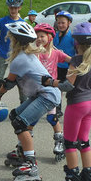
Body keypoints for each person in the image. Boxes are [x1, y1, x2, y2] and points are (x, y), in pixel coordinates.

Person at [0, 22, 63, 181]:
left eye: (10, 38)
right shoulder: (26, 55)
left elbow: (9, 83)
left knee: (20, 123)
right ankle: (23, 152)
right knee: (15, 115)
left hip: (47, 96)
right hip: (41, 94)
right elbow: (11, 82)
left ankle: (31, 165)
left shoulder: (20, 59)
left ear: (14, 40)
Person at [48, 22, 91, 181]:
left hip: (77, 105)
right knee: (84, 142)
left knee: (70, 143)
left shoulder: (76, 61)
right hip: (90, 103)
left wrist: (51, 82)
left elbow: (67, 85)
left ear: (76, 42)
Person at [35, 23, 71, 162]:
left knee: (52, 117)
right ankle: (23, 145)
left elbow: (71, 60)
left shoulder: (56, 53)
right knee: (30, 119)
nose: (39, 39)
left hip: (51, 91)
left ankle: (59, 141)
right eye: (37, 36)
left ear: (50, 38)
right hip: (36, 90)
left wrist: (82, 62)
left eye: (42, 36)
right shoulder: (34, 53)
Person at [0, 0, 26, 104]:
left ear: (20, 8)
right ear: (8, 7)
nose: (13, 10)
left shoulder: (23, 23)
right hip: (3, 53)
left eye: (15, 7)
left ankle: (23, 104)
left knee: (20, 80)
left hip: (17, 56)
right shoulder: (2, 21)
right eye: (11, 7)